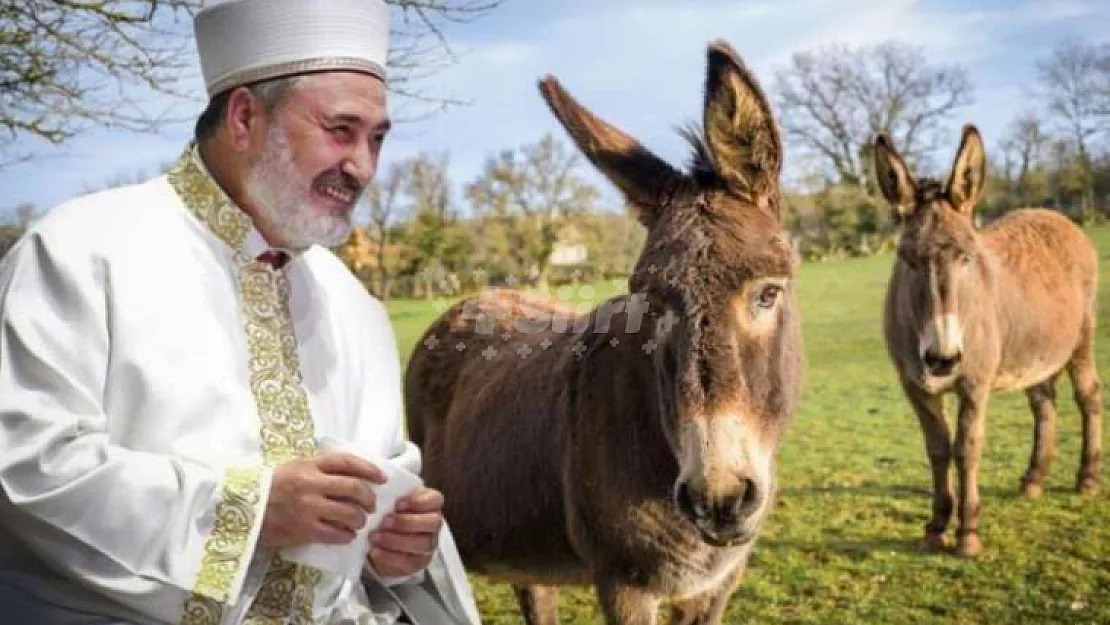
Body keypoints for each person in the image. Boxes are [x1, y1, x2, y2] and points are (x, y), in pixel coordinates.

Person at [0, 0, 481, 623]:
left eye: (377, 138)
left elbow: (386, 502)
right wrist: (247, 512)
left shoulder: (355, 306)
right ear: (246, 117)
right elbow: (25, 466)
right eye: (341, 130)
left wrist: (399, 551)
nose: (362, 166)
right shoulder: (78, 249)